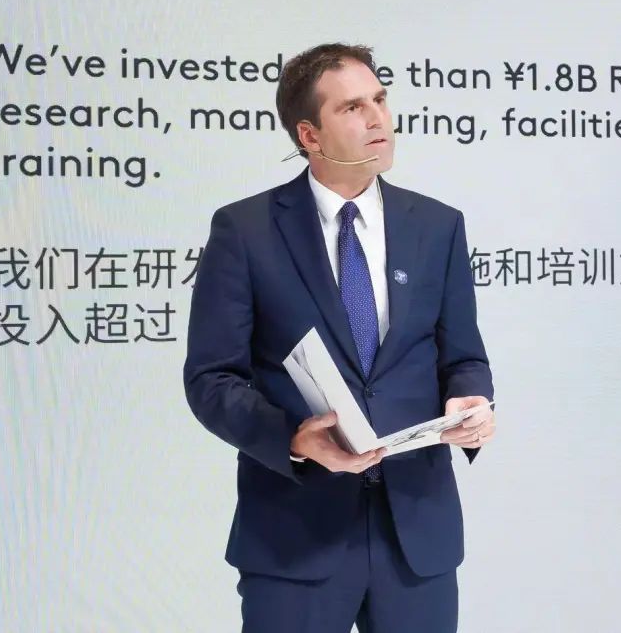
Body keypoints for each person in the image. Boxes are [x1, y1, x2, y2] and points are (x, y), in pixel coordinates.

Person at [183, 42, 496, 632]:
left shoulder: (438, 226)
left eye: (380, 99)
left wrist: (471, 400)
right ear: (310, 134)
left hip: (416, 534)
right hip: (295, 536)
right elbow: (210, 379)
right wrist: (293, 439)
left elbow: (463, 357)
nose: (379, 119)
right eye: (353, 108)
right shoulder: (245, 231)